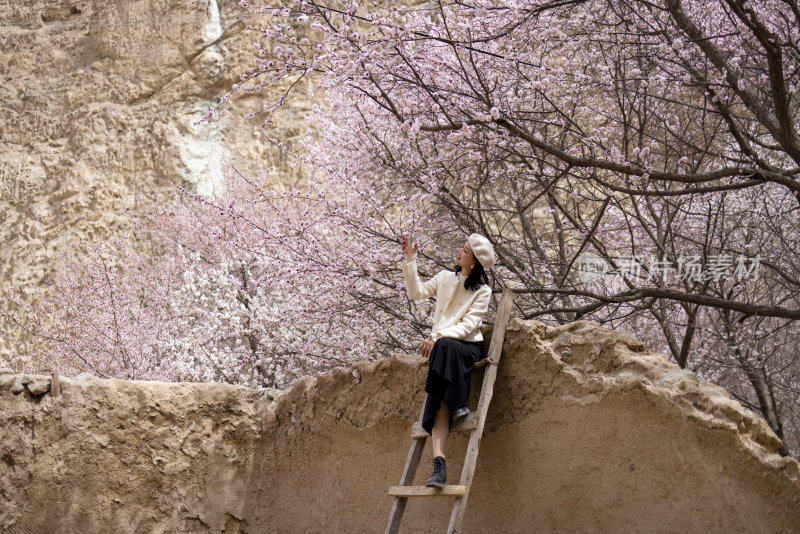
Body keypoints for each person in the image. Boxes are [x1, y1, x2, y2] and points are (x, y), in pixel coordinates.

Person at [399, 233, 495, 489]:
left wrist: (436, 335)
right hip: (443, 350)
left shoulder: (482, 291)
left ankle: (460, 402)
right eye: (462, 248)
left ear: (474, 262)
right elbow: (416, 292)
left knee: (444, 345)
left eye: (465, 250)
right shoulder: (444, 277)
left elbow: (469, 326)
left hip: (465, 348)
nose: (459, 252)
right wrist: (410, 258)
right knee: (438, 399)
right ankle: (439, 465)